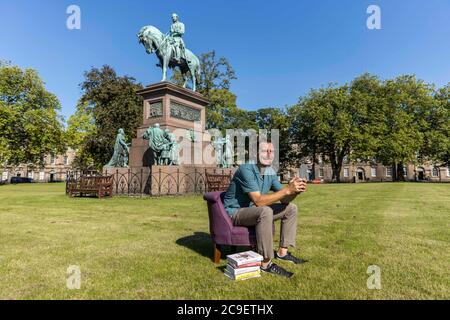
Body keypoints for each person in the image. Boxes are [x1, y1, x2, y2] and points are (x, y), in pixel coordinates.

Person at [223, 142, 307, 278]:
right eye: (264, 151)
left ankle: (282, 253)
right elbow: (258, 201)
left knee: (291, 208)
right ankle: (266, 263)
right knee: (265, 210)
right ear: (256, 154)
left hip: (254, 211)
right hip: (236, 213)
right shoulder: (246, 169)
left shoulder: (270, 172)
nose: (268, 154)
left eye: (271, 151)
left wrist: (295, 191)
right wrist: (287, 190)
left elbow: (284, 199)